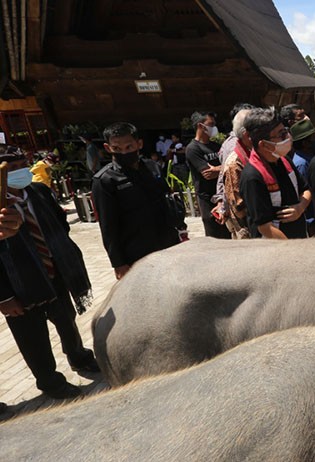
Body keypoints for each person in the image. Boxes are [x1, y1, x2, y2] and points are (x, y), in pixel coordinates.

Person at [0, 145, 99, 401]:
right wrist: (4, 297)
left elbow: (60, 222)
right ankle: (50, 381)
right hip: (19, 286)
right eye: (11, 169)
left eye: (22, 165)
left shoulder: (39, 191)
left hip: (54, 272)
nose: (19, 172)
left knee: (67, 320)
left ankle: (79, 356)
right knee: (33, 338)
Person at [92, 122, 182, 280]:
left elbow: (167, 200)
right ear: (107, 148)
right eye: (117, 148)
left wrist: (181, 231)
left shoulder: (152, 167)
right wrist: (118, 264)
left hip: (168, 246)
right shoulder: (105, 180)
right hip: (137, 254)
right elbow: (108, 226)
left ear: (139, 144)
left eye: (129, 147)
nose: (124, 152)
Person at [240, 107, 311, 239]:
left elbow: (306, 190)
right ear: (264, 145)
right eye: (281, 135)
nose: (288, 137)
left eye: (286, 131)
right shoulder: (252, 176)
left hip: (299, 240)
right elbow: (264, 227)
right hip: (275, 247)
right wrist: (293, 248)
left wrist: (300, 208)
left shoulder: (285, 160)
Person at [185, 110, 228, 238]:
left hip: (222, 195)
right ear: (200, 126)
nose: (214, 127)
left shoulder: (216, 146)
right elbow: (208, 174)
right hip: (207, 198)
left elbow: (227, 167)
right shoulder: (193, 148)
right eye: (211, 124)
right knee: (214, 234)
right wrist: (224, 168)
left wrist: (219, 169)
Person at [212, 103, 255, 224]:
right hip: (244, 216)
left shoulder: (244, 145)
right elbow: (229, 180)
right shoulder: (234, 147)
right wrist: (223, 204)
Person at [220, 108, 254, 239]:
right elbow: (238, 206)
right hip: (247, 228)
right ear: (246, 134)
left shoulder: (252, 153)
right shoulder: (234, 163)